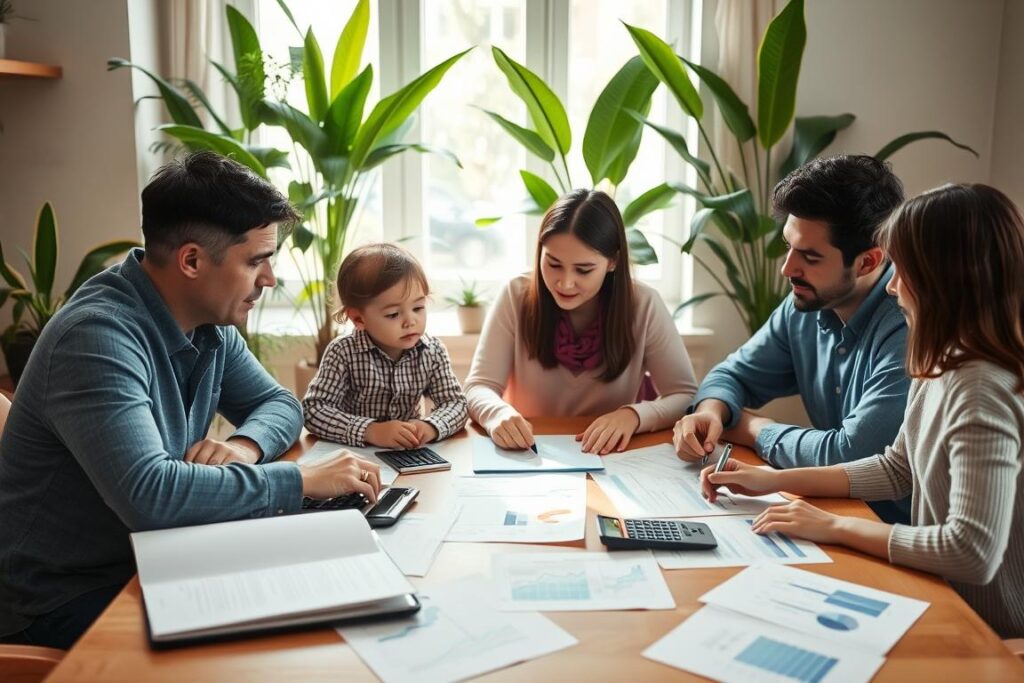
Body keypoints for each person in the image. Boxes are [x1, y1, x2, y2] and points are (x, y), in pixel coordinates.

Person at [0, 152, 382, 650]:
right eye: (255, 260)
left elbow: (281, 406)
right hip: (63, 597)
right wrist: (298, 479)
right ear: (193, 261)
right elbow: (151, 496)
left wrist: (244, 446)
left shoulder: (206, 322)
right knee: (269, 646)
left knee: (326, 606)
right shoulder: (95, 337)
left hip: (155, 558)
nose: (269, 279)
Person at [701, 184, 1024, 638]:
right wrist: (774, 481)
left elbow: (971, 551)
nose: (892, 287)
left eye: (904, 272)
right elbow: (897, 468)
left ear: (945, 280)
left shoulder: (979, 389)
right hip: (942, 600)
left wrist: (833, 525)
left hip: (993, 633)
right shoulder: (939, 363)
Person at [673, 155, 912, 523]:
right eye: (788, 246)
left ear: (867, 262)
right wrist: (711, 411)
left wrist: (755, 428)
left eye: (810, 257)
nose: (787, 269)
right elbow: (733, 375)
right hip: (829, 515)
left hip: (897, 537)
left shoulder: (910, 325)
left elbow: (849, 456)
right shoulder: (808, 302)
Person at [465, 189, 698, 454]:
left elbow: (686, 395)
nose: (565, 283)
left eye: (583, 270)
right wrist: (496, 414)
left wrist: (632, 416)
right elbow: (478, 387)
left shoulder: (643, 305)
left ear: (613, 262)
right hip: (527, 455)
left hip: (607, 459)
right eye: (553, 264)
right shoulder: (516, 296)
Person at [302, 243, 468, 448]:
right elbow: (314, 410)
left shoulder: (432, 351)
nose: (410, 321)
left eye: (418, 307)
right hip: (353, 456)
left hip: (408, 456)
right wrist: (371, 431)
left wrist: (430, 426)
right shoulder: (343, 352)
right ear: (358, 318)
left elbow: (456, 403)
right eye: (393, 314)